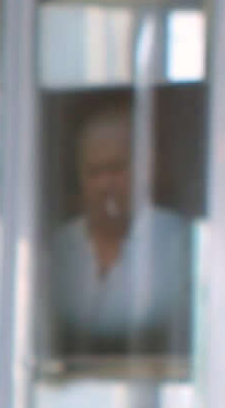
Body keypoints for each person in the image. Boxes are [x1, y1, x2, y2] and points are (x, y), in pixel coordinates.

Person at [46, 96, 193, 356]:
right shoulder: (58, 248)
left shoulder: (179, 241)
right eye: (94, 172)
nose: (105, 185)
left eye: (116, 169)